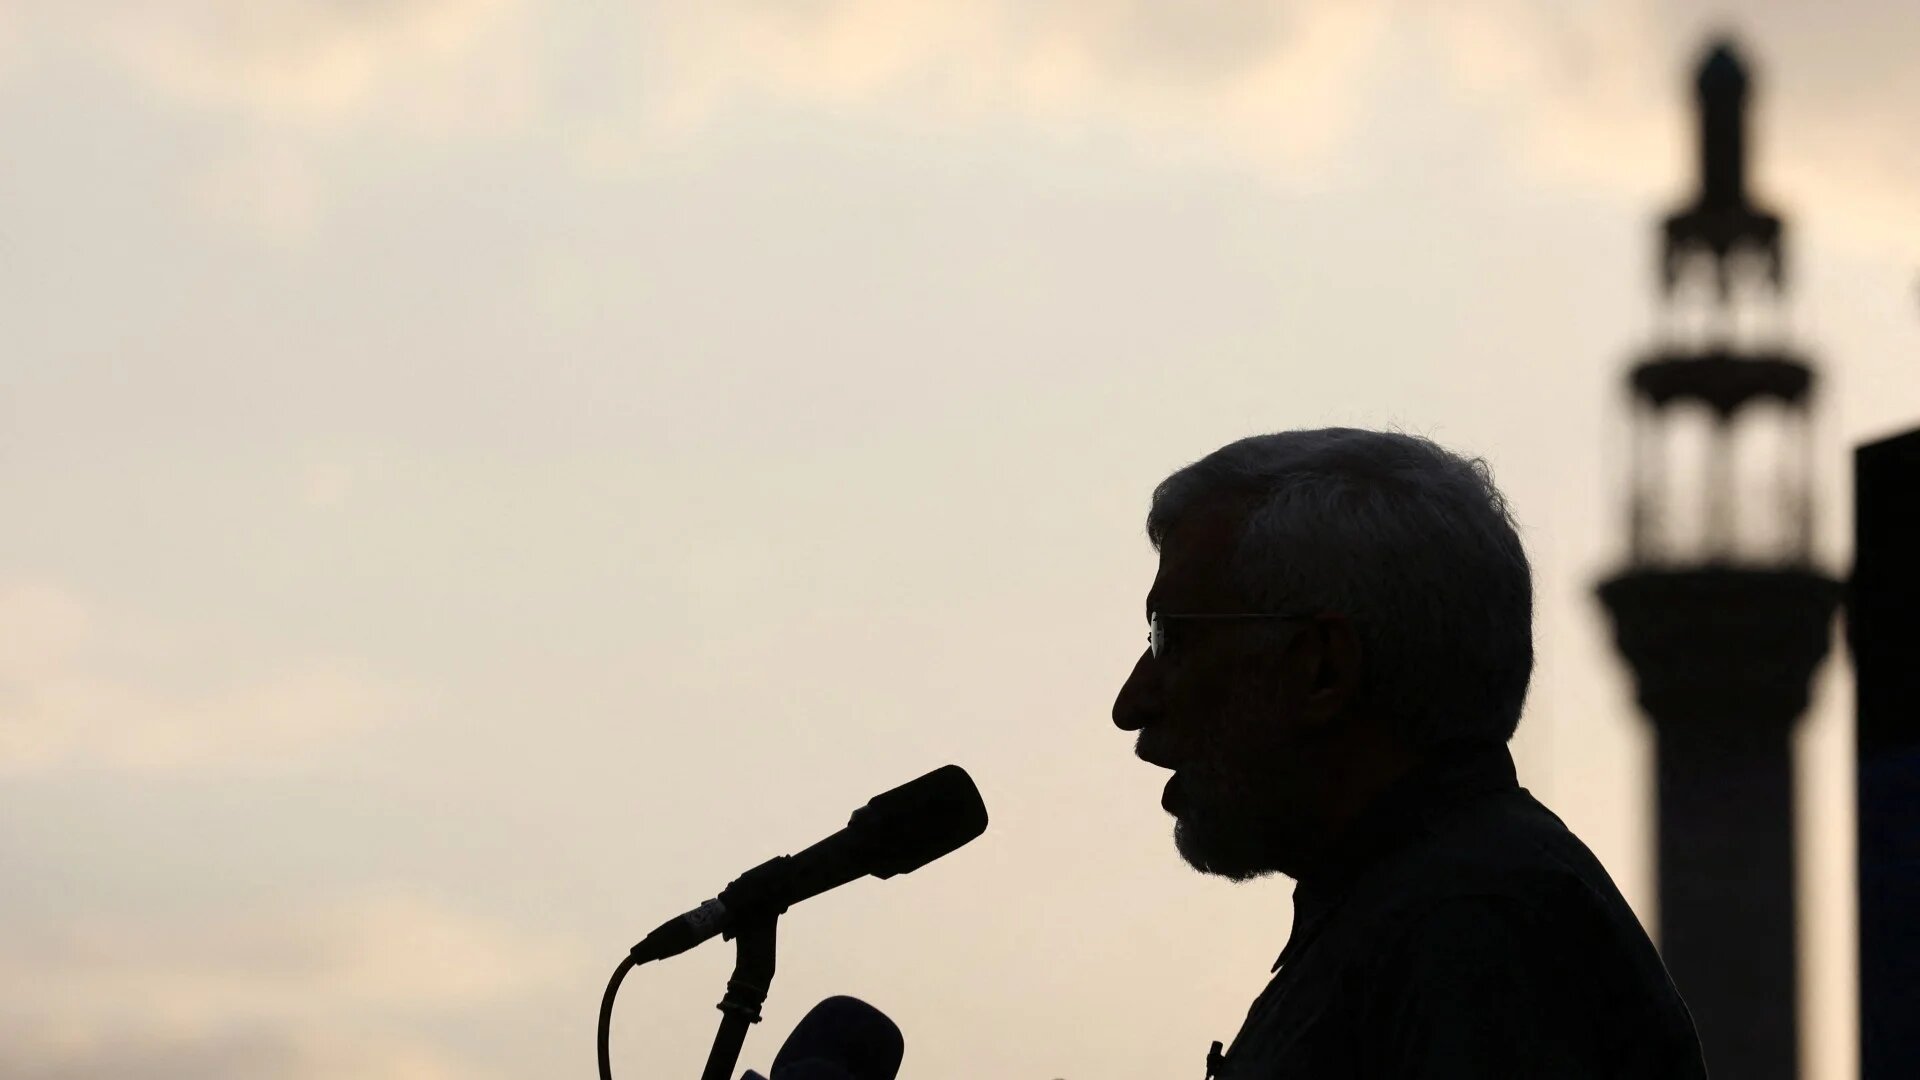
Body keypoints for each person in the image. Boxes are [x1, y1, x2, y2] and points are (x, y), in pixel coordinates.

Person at [1111, 428, 1708, 1079]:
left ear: (1321, 669)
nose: (1132, 703)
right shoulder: (1422, 920)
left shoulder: (1474, 933)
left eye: (1169, 639)